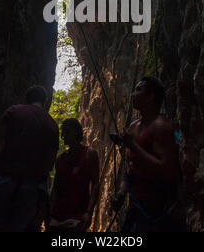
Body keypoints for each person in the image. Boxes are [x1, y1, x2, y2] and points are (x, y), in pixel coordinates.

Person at [0, 86, 59, 232]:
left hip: (4, 179)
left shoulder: (14, 111)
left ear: (27, 99)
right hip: (30, 190)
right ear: (44, 102)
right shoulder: (52, 125)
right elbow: (50, 164)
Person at [111, 77, 180, 233]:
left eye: (138, 90)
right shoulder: (133, 126)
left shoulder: (161, 126)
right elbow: (130, 166)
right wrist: (122, 192)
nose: (133, 94)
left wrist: (133, 145)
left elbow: (167, 169)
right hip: (135, 206)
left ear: (151, 96)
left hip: (156, 207)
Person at [49, 118, 99, 232]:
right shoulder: (60, 160)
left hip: (77, 217)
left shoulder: (89, 155)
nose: (63, 136)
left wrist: (89, 212)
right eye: (63, 132)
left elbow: (96, 184)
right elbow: (56, 188)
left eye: (67, 132)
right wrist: (49, 212)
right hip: (57, 217)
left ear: (76, 132)